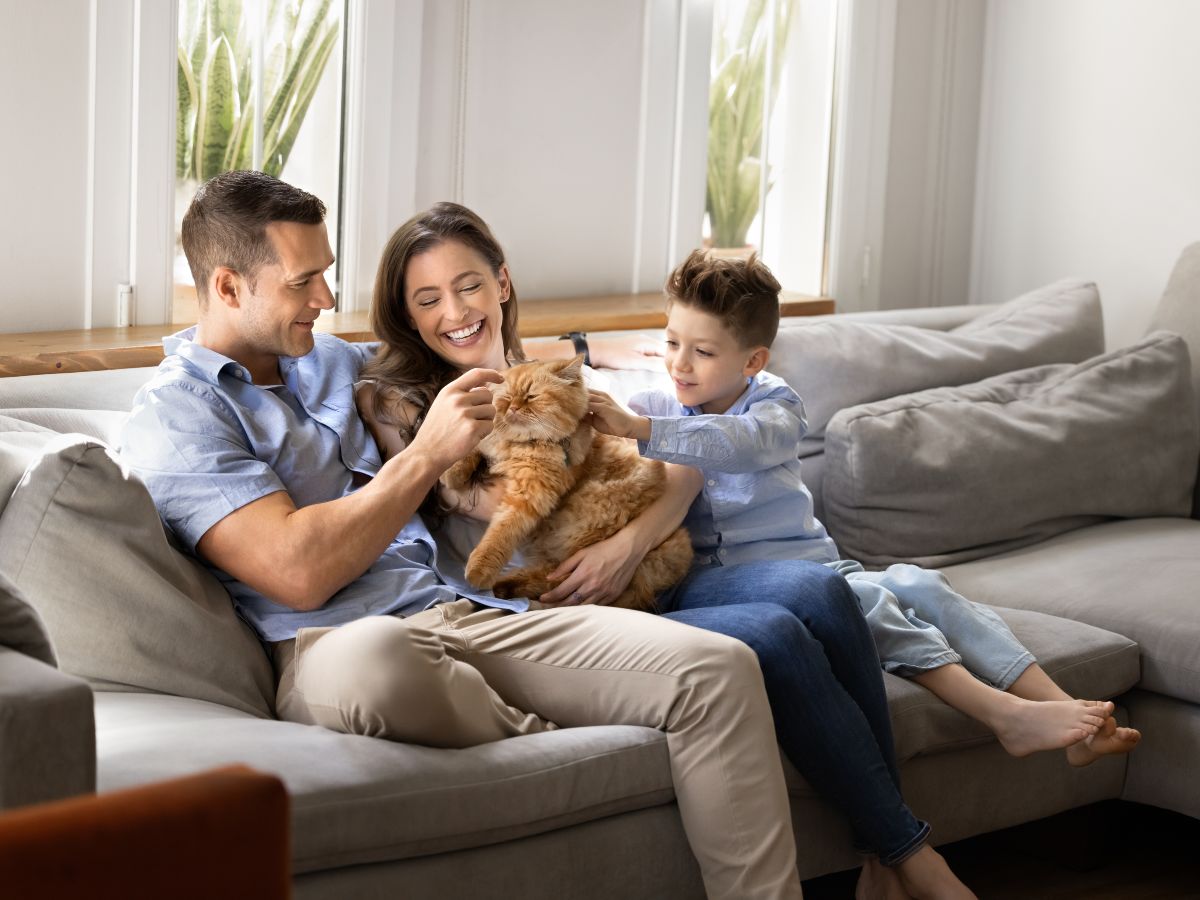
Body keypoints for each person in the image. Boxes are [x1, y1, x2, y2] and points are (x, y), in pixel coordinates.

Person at [118, 171, 806, 900]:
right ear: (227, 288)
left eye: (326, 276)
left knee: (720, 668)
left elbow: (486, 359)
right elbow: (297, 571)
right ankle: (537, 721)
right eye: (304, 282)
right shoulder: (179, 414)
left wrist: (620, 366)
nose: (325, 300)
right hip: (332, 643)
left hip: (470, 613)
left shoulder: (340, 364)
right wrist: (424, 456)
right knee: (380, 660)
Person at [358, 201, 979, 899]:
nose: (455, 310)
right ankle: (908, 854)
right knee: (772, 634)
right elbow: (505, 505)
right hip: (555, 605)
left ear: (501, 283)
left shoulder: (558, 374)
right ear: (409, 316)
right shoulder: (402, 403)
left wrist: (626, 543)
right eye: (428, 298)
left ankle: (884, 853)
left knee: (824, 592)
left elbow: (680, 468)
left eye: (468, 284)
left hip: (646, 573)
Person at [586, 249, 1142, 768]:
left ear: (753, 360)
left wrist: (641, 430)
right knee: (869, 600)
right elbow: (555, 370)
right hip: (743, 585)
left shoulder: (776, 404)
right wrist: (585, 350)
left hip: (818, 566)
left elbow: (740, 443)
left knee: (924, 586)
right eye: (671, 343)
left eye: (702, 352)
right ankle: (1005, 717)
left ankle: (1065, 713)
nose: (680, 364)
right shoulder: (655, 398)